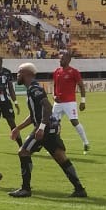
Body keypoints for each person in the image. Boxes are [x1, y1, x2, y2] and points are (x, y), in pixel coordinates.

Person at [8, 63, 87, 198]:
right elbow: (34, 115)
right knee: (60, 157)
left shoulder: (34, 88)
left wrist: (41, 128)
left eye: (20, 72)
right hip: (50, 127)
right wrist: (17, 128)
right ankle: (79, 189)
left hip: (44, 128)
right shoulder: (33, 88)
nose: (17, 75)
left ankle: (26, 189)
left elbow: (48, 107)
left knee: (23, 152)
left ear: (27, 73)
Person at [51, 52, 91, 153]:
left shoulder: (74, 72)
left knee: (74, 122)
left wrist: (83, 101)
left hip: (69, 102)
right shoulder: (56, 71)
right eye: (60, 59)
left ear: (68, 60)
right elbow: (54, 86)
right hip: (58, 103)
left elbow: (81, 86)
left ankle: (85, 143)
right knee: (54, 124)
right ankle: (55, 145)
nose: (60, 60)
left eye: (62, 59)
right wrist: (54, 96)